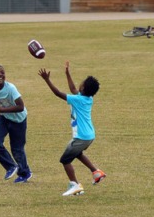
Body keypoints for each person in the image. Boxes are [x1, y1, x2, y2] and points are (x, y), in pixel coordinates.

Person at [38, 62, 105, 197]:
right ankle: (96, 172)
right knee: (77, 154)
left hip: (81, 136)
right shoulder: (87, 98)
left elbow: (58, 93)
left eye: (82, 83)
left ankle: (75, 185)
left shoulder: (77, 100)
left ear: (84, 88)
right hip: (88, 135)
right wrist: (67, 74)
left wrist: (47, 80)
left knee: (65, 160)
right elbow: (74, 89)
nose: (79, 84)